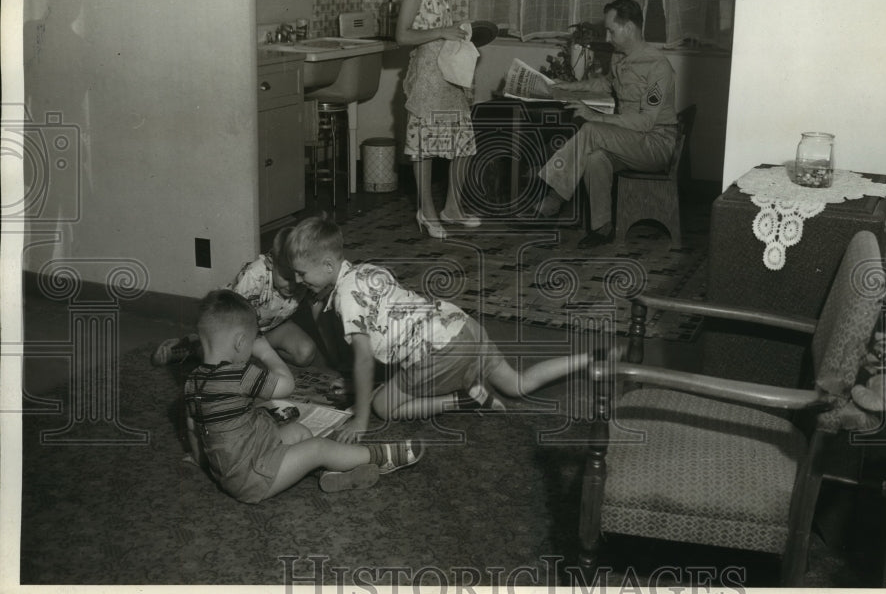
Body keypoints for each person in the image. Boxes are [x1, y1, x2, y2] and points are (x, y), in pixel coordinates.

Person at [286, 214, 592, 443]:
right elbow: (392, 337)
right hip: (461, 326)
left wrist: (360, 420)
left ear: (328, 266)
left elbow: (365, 359)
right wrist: (356, 387)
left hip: (437, 353)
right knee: (516, 384)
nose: (299, 281)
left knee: (383, 405)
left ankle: (462, 400)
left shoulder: (344, 299)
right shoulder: (367, 270)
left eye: (301, 274)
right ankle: (590, 359)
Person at [183, 289, 424, 504]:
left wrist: (206, 464)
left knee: (299, 432)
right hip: (255, 477)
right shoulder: (240, 375)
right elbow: (287, 385)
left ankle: (332, 473)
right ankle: (381, 456)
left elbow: (194, 431)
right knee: (317, 447)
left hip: (240, 465)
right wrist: (266, 352)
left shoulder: (193, 382)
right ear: (240, 342)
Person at [534, 0, 678, 248]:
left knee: (590, 129)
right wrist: (567, 87)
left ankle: (552, 200)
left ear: (629, 28)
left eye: (611, 30)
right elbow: (605, 84)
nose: (608, 38)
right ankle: (602, 228)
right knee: (594, 157)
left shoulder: (658, 67)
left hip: (655, 144)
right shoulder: (620, 57)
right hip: (630, 142)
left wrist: (597, 117)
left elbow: (645, 122)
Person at [396, 0, 480, 240]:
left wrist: (458, 28)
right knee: (426, 146)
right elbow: (402, 35)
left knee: (461, 140)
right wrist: (442, 30)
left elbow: (438, 23)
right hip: (427, 74)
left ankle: (452, 208)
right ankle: (426, 211)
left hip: (447, 70)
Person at [152, 228, 332, 374]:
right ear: (270, 263)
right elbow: (231, 319)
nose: (295, 284)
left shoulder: (303, 278)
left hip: (269, 327)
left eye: (299, 276)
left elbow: (319, 309)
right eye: (286, 277)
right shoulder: (254, 275)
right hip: (232, 325)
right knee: (223, 362)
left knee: (305, 354)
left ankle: (255, 353)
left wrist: (335, 354)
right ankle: (192, 345)